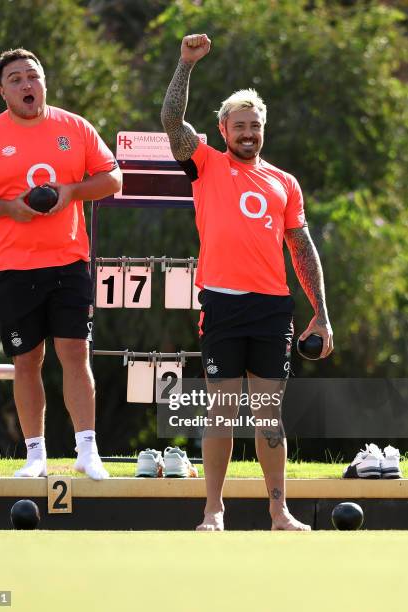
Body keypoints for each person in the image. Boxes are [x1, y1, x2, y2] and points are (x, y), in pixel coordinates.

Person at [161, 34, 333, 530]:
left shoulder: (284, 182)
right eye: (239, 126)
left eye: (255, 126)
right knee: (221, 409)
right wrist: (185, 65)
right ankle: (213, 510)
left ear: (263, 130)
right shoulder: (206, 163)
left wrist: (320, 310)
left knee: (267, 414)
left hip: (272, 309)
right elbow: (172, 121)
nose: (248, 134)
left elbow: (301, 248)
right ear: (223, 129)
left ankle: (279, 511)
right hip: (221, 303)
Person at [0, 48, 122, 479]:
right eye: (16, 79)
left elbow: (113, 178)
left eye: (33, 76)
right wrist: (7, 208)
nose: (27, 85)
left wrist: (71, 191)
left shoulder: (74, 127)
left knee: (75, 353)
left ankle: (87, 451)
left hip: (69, 262)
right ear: (2, 91)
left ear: (44, 81)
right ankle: (36, 455)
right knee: (26, 360)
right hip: (14, 268)